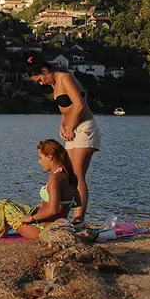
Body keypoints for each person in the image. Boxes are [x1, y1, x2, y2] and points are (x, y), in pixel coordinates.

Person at [0, 139, 81, 240]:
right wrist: (46, 204)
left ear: (50, 157)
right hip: (44, 221)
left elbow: (53, 210)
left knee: (1, 205)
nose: (39, 162)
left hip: (39, 229)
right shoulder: (68, 175)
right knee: (8, 205)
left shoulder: (55, 178)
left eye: (40, 157)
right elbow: (77, 202)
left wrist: (32, 219)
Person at [26, 57, 100, 224]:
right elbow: (66, 108)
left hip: (84, 128)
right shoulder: (54, 84)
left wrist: (71, 127)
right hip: (73, 129)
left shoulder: (65, 78)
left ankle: (78, 218)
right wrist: (63, 124)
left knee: (78, 175)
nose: (41, 83)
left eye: (40, 79)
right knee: (69, 174)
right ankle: (64, 215)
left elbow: (79, 105)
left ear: (45, 70)